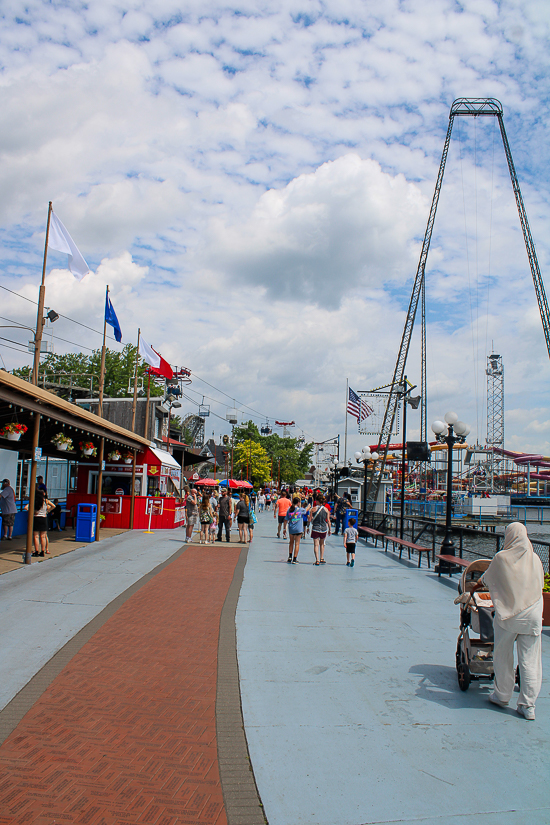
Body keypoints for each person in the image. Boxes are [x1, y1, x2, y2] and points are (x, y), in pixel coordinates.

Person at [480, 522, 544, 721]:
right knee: (530, 660)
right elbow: (540, 583)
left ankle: (502, 695)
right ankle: (528, 705)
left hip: (509, 616)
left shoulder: (501, 558)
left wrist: (481, 582)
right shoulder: (534, 558)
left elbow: (487, 579)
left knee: (503, 654)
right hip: (533, 614)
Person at [25, 485, 53, 557]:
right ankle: (43, 551)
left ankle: (36, 551)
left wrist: (32, 512)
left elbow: (26, 507)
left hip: (36, 518)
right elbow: (53, 506)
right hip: (44, 518)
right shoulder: (46, 501)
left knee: (36, 536)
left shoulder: (34, 501)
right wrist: (47, 511)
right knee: (43, 536)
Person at [309, 493, 331, 564]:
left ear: (317, 501)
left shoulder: (313, 509)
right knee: (322, 544)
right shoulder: (326, 510)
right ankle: (322, 558)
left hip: (315, 528)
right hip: (323, 529)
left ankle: (317, 560)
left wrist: (307, 527)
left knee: (316, 544)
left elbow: (310, 519)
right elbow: (328, 520)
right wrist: (330, 529)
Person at [285, 496, 306, 563]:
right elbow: (306, 511)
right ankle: (294, 558)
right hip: (298, 529)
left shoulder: (289, 510)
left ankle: (290, 556)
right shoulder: (300, 510)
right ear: (298, 503)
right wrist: (308, 506)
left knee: (291, 542)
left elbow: (286, 519)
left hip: (291, 528)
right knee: (297, 543)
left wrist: (284, 528)